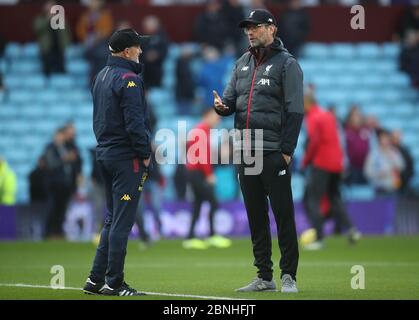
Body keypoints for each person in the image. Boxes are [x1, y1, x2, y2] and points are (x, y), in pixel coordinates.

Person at [213, 9, 304, 293]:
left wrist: (286, 151)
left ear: (271, 29)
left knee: (283, 215)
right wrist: (222, 107)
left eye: (255, 27)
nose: (250, 32)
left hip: (273, 151)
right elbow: (230, 101)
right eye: (247, 28)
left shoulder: (287, 64)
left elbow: (296, 111)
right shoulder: (241, 63)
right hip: (245, 153)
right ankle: (265, 276)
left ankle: (288, 274)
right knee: (256, 216)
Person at [83, 28, 152, 297]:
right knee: (122, 222)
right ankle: (114, 283)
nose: (141, 51)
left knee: (112, 220)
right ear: (127, 51)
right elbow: (135, 123)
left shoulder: (100, 76)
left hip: (104, 154)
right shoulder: (129, 79)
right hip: (126, 158)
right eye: (138, 46)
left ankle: (94, 280)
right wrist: (145, 152)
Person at [301, 93, 360, 250]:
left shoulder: (313, 117)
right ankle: (352, 230)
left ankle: (319, 239)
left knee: (313, 199)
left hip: (322, 163)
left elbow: (314, 142)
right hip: (337, 163)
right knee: (334, 197)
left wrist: (305, 161)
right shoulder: (328, 115)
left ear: (307, 103)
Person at [183, 108, 232, 250]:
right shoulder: (201, 131)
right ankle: (211, 235)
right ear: (206, 116)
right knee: (213, 202)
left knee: (198, 204)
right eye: (216, 116)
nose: (218, 119)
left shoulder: (200, 130)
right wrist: (209, 174)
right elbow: (202, 157)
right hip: (197, 172)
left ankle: (190, 237)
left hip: (194, 172)